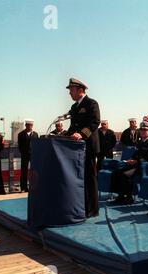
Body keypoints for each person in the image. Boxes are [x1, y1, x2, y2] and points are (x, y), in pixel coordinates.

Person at [65, 78, 101, 218]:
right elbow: (73, 127)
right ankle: (81, 206)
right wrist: (64, 135)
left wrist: (81, 134)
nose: (69, 93)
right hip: (76, 149)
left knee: (90, 178)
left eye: (71, 90)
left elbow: (95, 122)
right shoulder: (74, 108)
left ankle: (92, 210)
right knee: (80, 178)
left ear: (80, 90)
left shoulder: (91, 103)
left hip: (89, 146)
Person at [110, 121, 148, 204]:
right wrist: (130, 159)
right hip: (134, 165)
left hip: (143, 167)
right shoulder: (140, 142)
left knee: (125, 175)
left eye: (144, 130)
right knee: (116, 172)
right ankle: (120, 196)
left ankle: (129, 197)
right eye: (141, 130)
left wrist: (136, 161)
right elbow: (136, 154)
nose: (142, 132)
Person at [18, 119, 39, 192]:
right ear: (25, 125)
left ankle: (33, 187)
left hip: (33, 155)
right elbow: (20, 146)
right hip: (24, 155)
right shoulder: (21, 134)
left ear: (32, 126)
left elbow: (37, 145)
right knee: (24, 171)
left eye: (30, 125)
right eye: (28, 125)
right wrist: (23, 152)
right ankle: (23, 187)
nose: (29, 126)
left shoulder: (35, 134)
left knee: (34, 171)